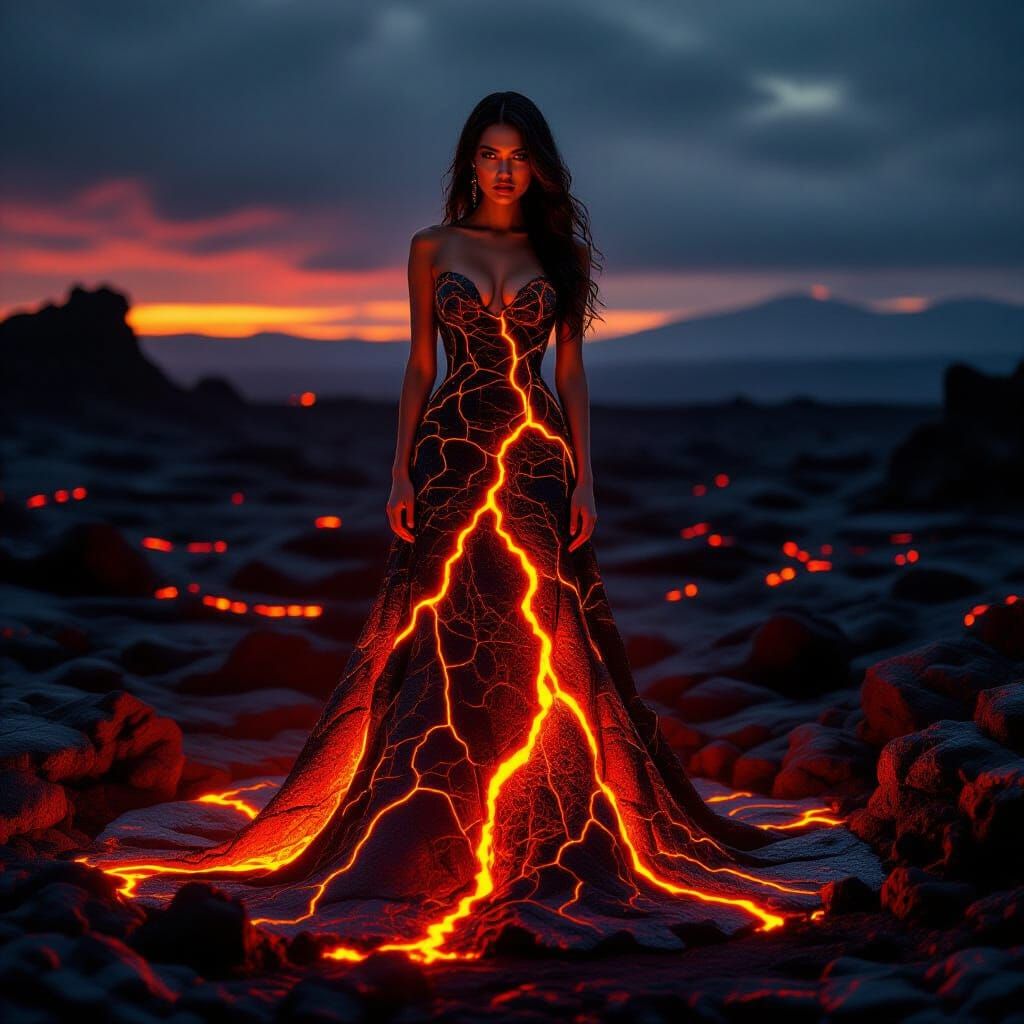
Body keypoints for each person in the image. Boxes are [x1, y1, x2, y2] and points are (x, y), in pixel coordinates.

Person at [76, 92, 881, 963]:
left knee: (545, 624)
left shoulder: (559, 255)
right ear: (470, 161)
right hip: (453, 451)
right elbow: (421, 361)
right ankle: (425, 819)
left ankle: (556, 805)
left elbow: (569, 372)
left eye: (518, 155)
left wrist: (586, 475)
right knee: (448, 624)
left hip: (535, 457)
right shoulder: (432, 249)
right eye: (489, 153)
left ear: (536, 165)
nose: (503, 168)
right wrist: (398, 468)